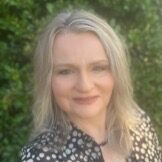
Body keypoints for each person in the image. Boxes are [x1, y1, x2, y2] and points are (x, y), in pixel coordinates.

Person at [20, 10, 162, 162]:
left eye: (98, 68)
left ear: (117, 72)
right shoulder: (40, 157)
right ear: (47, 80)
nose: (85, 86)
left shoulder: (138, 122)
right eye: (66, 71)